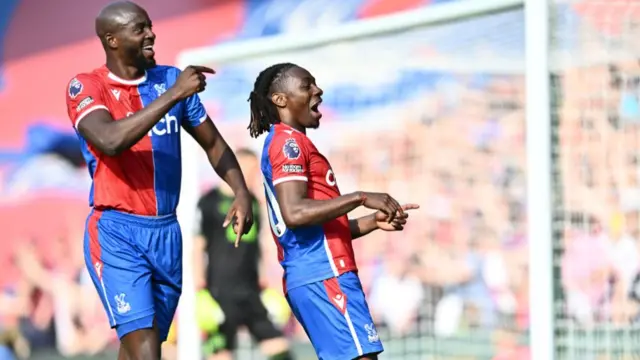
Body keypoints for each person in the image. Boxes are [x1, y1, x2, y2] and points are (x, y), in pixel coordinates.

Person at [64, 2, 254, 359]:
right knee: (146, 347)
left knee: (139, 348)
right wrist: (173, 96)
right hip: (118, 232)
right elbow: (109, 140)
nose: (151, 34)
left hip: (166, 233)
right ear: (112, 40)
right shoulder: (86, 86)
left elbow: (213, 144)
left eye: (150, 25)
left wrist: (241, 191)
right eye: (139, 29)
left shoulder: (168, 80)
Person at [247, 62, 420, 360]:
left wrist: (372, 222)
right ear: (280, 99)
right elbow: (295, 212)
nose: (318, 90)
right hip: (323, 274)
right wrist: (361, 197)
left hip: (322, 272)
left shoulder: (294, 142)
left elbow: (317, 228)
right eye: (306, 86)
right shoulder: (287, 143)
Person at [194, 148, 294, 360]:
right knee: (220, 354)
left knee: (278, 346)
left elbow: (261, 245)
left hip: (250, 290)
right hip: (219, 291)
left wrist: (266, 277)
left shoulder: (255, 203)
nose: (253, 176)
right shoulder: (208, 202)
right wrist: (200, 288)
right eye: (249, 170)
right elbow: (198, 246)